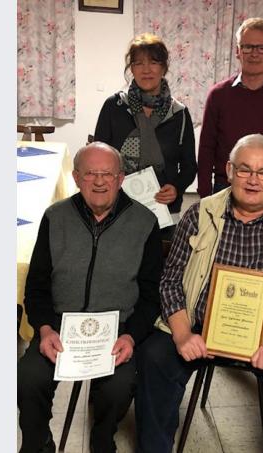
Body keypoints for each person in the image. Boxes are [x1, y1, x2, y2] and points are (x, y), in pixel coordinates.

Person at [136, 134, 263, 452]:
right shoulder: (200, 214)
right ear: (229, 170)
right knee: (154, 358)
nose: (253, 180)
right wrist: (184, 335)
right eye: (244, 170)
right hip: (200, 328)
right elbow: (171, 281)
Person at [17, 142, 162, 453]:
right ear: (76, 177)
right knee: (28, 379)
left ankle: (102, 440)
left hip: (115, 331)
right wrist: (44, 329)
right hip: (59, 327)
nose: (99, 181)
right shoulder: (55, 217)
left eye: (107, 174)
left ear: (121, 178)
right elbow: (36, 285)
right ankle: (39, 442)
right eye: (90, 174)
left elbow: (151, 295)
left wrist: (130, 337)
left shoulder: (145, 222)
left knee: (119, 387)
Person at [94, 33, 196, 240]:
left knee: (157, 265)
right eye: (139, 63)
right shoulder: (114, 107)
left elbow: (189, 166)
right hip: (117, 204)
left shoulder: (179, 113)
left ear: (164, 68)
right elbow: (98, 157)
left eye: (154, 62)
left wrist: (176, 188)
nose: (146, 69)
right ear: (131, 69)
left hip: (163, 208)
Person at [196, 17, 263, 197]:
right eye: (248, 47)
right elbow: (206, 148)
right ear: (238, 51)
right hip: (225, 188)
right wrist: (205, 193)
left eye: (262, 47)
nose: (255, 54)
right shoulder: (218, 95)